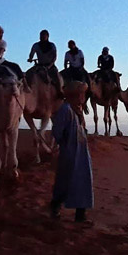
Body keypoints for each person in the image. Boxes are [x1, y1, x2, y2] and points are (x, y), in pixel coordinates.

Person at [50, 80, 93, 222]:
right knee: (66, 181)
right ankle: (55, 207)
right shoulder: (65, 110)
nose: (83, 97)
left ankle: (80, 214)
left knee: (83, 181)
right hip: (70, 152)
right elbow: (57, 132)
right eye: (81, 94)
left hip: (81, 152)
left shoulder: (77, 110)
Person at [27, 29, 62, 96]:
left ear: (47, 36)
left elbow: (54, 56)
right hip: (39, 65)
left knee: (56, 75)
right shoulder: (36, 45)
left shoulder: (52, 45)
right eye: (41, 35)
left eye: (44, 35)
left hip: (50, 66)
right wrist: (30, 59)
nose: (42, 37)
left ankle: (59, 91)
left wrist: (50, 65)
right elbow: (31, 53)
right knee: (28, 73)